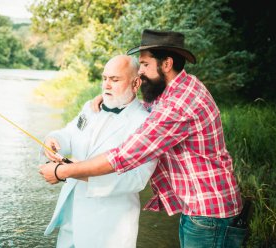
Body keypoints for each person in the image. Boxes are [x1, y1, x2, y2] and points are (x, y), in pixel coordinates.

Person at [39, 29, 247, 248]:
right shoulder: (177, 90)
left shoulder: (178, 104)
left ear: (166, 64)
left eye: (145, 64)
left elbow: (123, 156)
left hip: (209, 213)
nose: (141, 72)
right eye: (105, 79)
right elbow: (142, 105)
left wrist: (63, 172)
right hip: (199, 210)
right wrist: (110, 94)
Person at [42, 55, 156, 248]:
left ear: (135, 83)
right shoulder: (91, 107)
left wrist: (75, 171)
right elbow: (69, 134)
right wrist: (52, 140)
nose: (106, 85)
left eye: (115, 79)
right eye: (104, 78)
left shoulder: (146, 123)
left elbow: (137, 179)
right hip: (70, 217)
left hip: (107, 227)